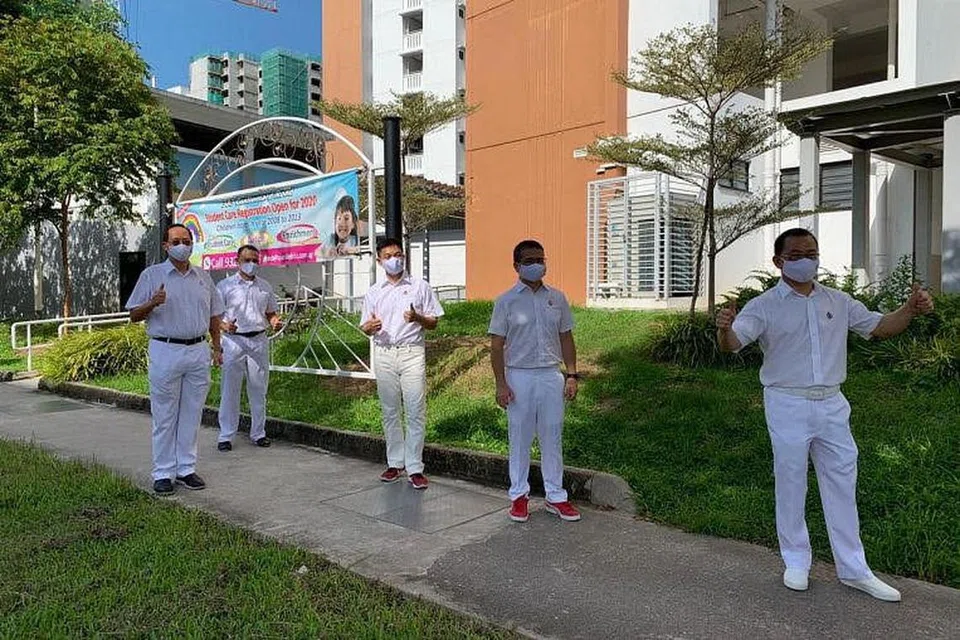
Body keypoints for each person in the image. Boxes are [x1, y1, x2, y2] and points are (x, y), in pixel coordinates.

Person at [717, 227, 934, 602]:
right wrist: (723, 330)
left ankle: (854, 569)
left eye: (812, 253)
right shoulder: (765, 305)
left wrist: (909, 309)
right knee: (791, 480)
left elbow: (880, 327)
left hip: (832, 403)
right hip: (786, 401)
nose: (806, 260)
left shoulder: (837, 300)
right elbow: (734, 344)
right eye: (797, 254)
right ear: (779, 261)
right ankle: (796, 561)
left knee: (842, 483)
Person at [126, 223, 225, 495]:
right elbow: (134, 315)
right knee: (165, 414)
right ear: (166, 246)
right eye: (176, 240)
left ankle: (186, 469)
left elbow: (215, 315)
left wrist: (217, 347)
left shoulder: (203, 277)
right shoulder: (152, 275)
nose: (183, 245)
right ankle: (163, 472)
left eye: (187, 240)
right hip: (166, 349)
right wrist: (152, 303)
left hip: (197, 350)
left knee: (192, 414)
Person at [488, 239, 582, 523]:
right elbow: (496, 345)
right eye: (529, 261)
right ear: (516, 266)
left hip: (550, 375)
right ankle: (519, 495)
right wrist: (501, 384)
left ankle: (556, 496)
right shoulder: (506, 301)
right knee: (520, 437)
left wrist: (572, 374)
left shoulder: (557, 298)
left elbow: (566, 337)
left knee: (552, 436)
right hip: (519, 375)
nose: (536, 265)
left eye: (540, 259)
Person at [359, 237, 444, 490]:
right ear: (379, 260)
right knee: (390, 410)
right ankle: (395, 463)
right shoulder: (374, 291)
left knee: (415, 409)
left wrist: (417, 317)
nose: (394, 259)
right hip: (384, 352)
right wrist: (369, 328)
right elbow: (365, 326)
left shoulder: (420, 286)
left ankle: (415, 466)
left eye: (398, 254)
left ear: (404, 256)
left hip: (411, 352)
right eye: (388, 256)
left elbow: (434, 322)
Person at [216, 245, 282, 451]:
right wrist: (223, 325)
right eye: (247, 260)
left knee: (258, 388)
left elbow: (271, 312)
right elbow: (214, 316)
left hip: (258, 340)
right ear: (237, 261)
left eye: (255, 260)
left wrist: (274, 321)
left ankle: (258, 433)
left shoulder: (265, 287)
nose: (251, 264)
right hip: (233, 341)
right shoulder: (225, 286)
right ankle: (226, 435)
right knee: (230, 389)